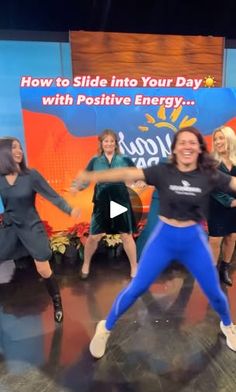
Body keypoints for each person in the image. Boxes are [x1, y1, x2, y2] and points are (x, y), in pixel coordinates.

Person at [75, 126, 236, 358]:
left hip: (193, 240)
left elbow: (232, 184)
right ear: (175, 148)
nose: (187, 146)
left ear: (200, 148)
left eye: (192, 142)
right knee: (137, 287)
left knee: (214, 291)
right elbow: (125, 173)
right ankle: (105, 327)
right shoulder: (163, 171)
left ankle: (228, 325)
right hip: (165, 237)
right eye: (182, 142)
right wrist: (92, 176)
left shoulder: (208, 173)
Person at [0, 137, 80, 323]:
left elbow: (53, 196)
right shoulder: (1, 178)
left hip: (31, 225)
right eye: (14, 148)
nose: (19, 151)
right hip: (10, 226)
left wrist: (69, 209)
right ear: (4, 152)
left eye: (20, 147)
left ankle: (57, 301)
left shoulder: (31, 176)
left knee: (43, 268)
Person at [71, 129, 137, 279]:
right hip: (102, 201)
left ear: (115, 144)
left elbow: (135, 174)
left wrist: (138, 182)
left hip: (119, 200)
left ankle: (134, 267)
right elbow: (85, 179)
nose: (109, 143)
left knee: (126, 235)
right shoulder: (95, 160)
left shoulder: (124, 159)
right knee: (94, 236)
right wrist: (76, 187)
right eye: (106, 141)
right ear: (101, 143)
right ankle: (86, 264)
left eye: (111, 141)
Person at [208, 126, 236, 287]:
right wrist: (230, 202)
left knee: (232, 237)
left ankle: (224, 269)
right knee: (215, 239)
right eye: (216, 139)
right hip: (217, 206)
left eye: (221, 138)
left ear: (230, 139)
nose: (218, 142)